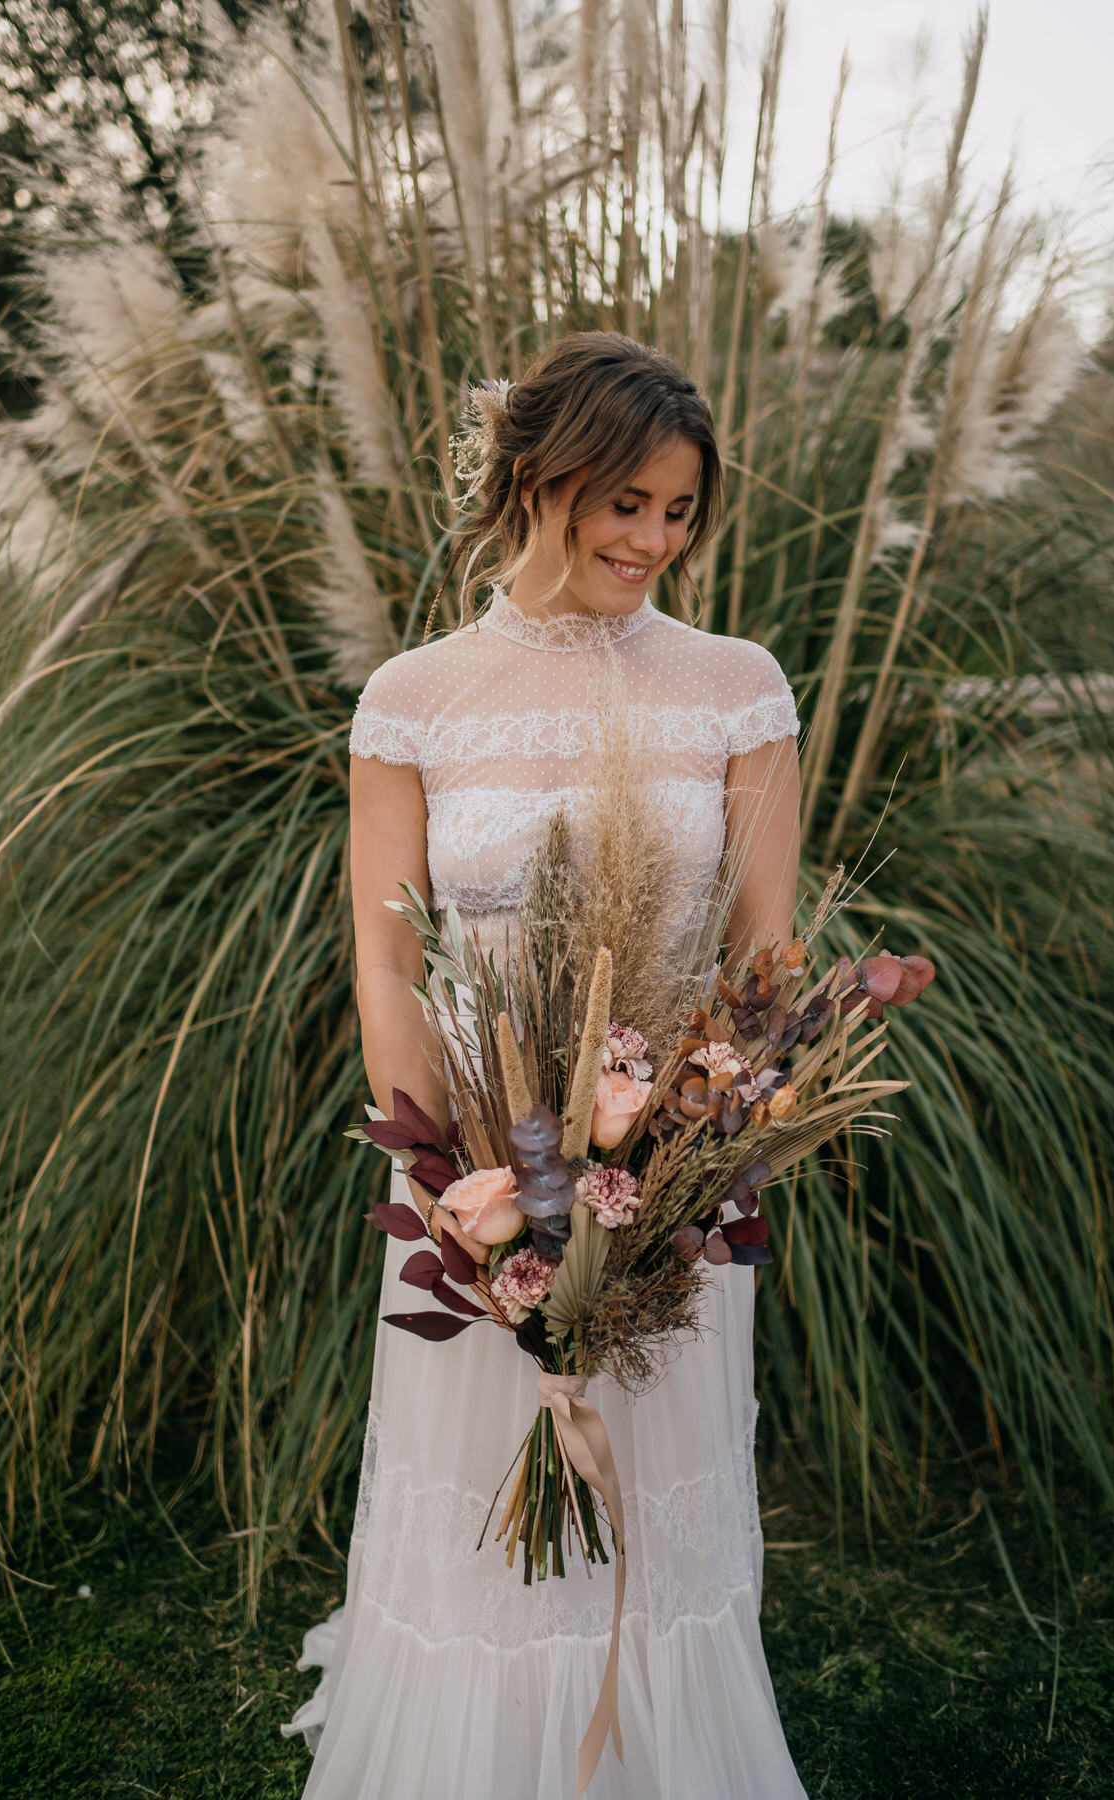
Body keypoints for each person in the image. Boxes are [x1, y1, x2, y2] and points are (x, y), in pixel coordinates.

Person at [282, 331, 809, 1800]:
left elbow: (766, 956)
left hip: (673, 1183)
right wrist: (446, 1174)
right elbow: (389, 956)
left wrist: (679, 1164)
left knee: (656, 1502)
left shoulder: (737, 684)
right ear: (541, 479)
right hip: (479, 1183)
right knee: (477, 1501)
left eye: (680, 510)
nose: (654, 539)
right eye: (624, 501)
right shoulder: (414, 696)